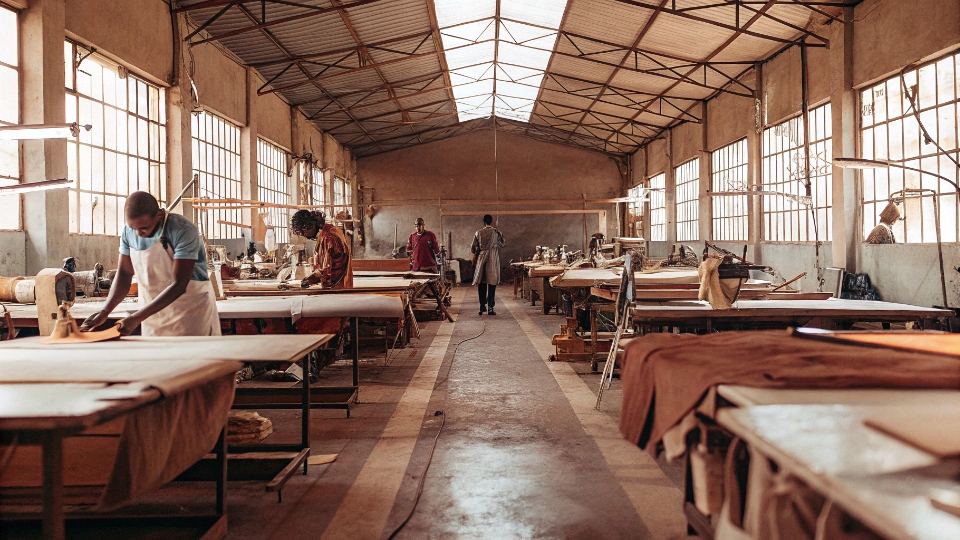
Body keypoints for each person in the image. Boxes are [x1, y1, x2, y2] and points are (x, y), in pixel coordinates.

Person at [80, 191, 220, 336]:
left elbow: (179, 284)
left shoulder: (182, 230)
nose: (139, 233)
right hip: (151, 315)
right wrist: (105, 311)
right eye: (134, 228)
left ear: (159, 214)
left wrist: (136, 318)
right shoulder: (129, 233)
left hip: (190, 314)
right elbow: (124, 274)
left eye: (144, 228)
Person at [291, 209, 354, 289]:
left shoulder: (329, 237)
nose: (303, 235)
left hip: (337, 290)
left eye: (303, 231)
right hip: (337, 288)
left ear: (311, 225)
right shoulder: (328, 232)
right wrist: (315, 275)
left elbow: (337, 268)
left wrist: (316, 278)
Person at [471, 214, 504, 316]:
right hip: (492, 259)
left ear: (484, 222)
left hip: (481, 259)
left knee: (481, 283)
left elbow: (473, 248)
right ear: (491, 221)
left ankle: (482, 306)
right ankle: (490, 308)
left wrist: (480, 252)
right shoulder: (496, 232)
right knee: (492, 283)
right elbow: (502, 244)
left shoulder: (478, 232)